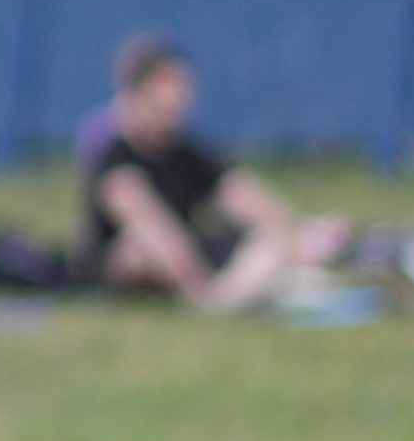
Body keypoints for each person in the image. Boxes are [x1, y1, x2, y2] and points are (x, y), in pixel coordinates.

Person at [80, 38, 351, 312]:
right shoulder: (117, 157)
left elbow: (239, 193)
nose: (179, 96)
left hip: (189, 261)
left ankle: (259, 284)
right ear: (140, 92)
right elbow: (151, 224)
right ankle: (224, 300)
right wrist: (197, 287)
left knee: (265, 244)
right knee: (135, 251)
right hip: (135, 268)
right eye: (168, 84)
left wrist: (297, 235)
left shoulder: (185, 151)